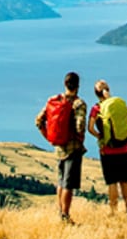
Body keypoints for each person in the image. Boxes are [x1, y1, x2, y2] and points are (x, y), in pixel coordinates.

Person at [35, 71, 88, 223]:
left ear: (65, 84)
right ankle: (65, 216)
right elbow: (80, 126)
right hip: (73, 148)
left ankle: (61, 212)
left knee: (60, 182)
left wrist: (49, 137)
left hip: (58, 148)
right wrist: (78, 137)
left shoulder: (54, 101)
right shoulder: (79, 104)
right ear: (78, 86)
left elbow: (39, 120)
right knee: (68, 185)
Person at [89, 79, 127, 215]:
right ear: (109, 90)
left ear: (96, 94)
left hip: (108, 150)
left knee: (112, 182)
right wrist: (126, 129)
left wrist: (100, 136)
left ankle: (113, 211)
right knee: (124, 181)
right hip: (124, 148)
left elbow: (90, 128)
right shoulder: (119, 104)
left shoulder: (96, 108)